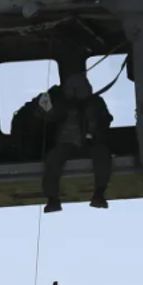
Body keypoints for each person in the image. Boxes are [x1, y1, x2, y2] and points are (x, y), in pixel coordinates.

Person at [38, 72, 113, 213]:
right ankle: (52, 199)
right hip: (67, 144)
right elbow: (48, 115)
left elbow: (105, 120)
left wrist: (96, 134)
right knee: (53, 159)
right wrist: (46, 99)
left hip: (90, 144)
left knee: (102, 156)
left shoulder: (96, 103)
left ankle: (99, 194)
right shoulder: (61, 104)